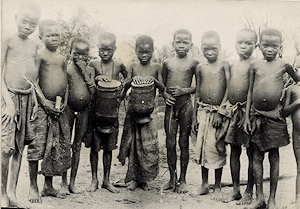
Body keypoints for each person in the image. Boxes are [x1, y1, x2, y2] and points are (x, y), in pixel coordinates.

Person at [243, 28, 300, 209]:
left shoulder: (284, 65)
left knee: (274, 156)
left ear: (280, 47)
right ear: (259, 46)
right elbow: (250, 91)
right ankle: (260, 198)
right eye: (266, 45)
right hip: (255, 115)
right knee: (256, 156)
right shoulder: (255, 65)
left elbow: (297, 80)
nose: (270, 49)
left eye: (274, 46)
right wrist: (246, 117)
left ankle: (272, 199)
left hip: (275, 118)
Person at [1, 2, 41, 207]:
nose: (28, 26)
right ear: (16, 18)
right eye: (24, 21)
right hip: (9, 98)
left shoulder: (34, 45)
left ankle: (12, 193)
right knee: (6, 148)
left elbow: (32, 77)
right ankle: (2, 195)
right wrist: (8, 103)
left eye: (33, 23)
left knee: (19, 148)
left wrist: (33, 100)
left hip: (27, 98)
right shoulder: (7, 39)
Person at [118, 35, 166, 191]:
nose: (144, 55)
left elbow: (162, 88)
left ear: (152, 51)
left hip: (150, 112)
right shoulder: (132, 66)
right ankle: (134, 179)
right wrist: (126, 87)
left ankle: (144, 180)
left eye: (147, 52)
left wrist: (151, 80)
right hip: (134, 110)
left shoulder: (157, 67)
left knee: (146, 147)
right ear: (136, 51)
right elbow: (126, 85)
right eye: (141, 52)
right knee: (133, 145)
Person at [31, 19, 71, 202]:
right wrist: (44, 103)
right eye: (50, 35)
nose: (54, 38)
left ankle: (48, 186)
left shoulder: (63, 58)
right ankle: (33, 187)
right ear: (41, 37)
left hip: (59, 107)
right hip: (42, 107)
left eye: (57, 35)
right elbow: (34, 82)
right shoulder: (40, 56)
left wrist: (65, 103)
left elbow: (66, 83)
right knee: (37, 146)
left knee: (56, 145)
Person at [218, 28, 257, 204]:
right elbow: (228, 89)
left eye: (248, 43)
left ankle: (249, 190)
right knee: (234, 150)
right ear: (235, 44)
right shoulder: (232, 65)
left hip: (249, 113)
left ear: (255, 46)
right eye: (240, 42)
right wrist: (222, 110)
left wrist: (251, 114)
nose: (243, 46)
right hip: (233, 112)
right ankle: (236, 190)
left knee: (251, 152)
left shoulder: (256, 64)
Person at [190, 30, 230, 199]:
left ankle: (218, 186)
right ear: (201, 48)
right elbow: (197, 91)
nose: (210, 51)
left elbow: (228, 88)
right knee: (203, 148)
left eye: (214, 48)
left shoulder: (224, 65)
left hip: (218, 114)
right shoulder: (200, 67)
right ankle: (204, 184)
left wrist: (221, 111)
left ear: (220, 47)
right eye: (206, 48)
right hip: (202, 111)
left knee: (217, 148)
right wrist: (194, 117)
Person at [86, 32, 127, 193]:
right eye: (102, 49)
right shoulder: (93, 64)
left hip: (112, 113)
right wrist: (97, 79)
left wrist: (122, 92)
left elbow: (127, 77)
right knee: (95, 148)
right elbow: (88, 79)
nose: (105, 52)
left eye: (109, 49)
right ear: (98, 48)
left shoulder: (119, 65)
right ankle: (94, 180)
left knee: (109, 148)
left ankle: (106, 180)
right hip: (96, 111)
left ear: (114, 49)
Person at [162, 29, 199, 193]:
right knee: (170, 143)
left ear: (190, 45)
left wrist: (184, 91)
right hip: (171, 107)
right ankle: (172, 178)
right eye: (178, 41)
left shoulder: (194, 63)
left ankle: (183, 180)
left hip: (186, 106)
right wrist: (164, 95)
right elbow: (162, 86)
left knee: (183, 143)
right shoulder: (167, 62)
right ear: (173, 43)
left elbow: (198, 87)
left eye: (185, 42)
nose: (182, 45)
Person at [61, 37, 96, 194]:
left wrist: (85, 74)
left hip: (84, 111)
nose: (81, 57)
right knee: (65, 143)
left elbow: (93, 93)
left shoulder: (90, 71)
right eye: (77, 53)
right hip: (68, 109)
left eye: (84, 54)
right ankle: (63, 182)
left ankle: (72, 182)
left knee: (77, 146)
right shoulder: (67, 69)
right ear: (70, 53)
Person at [283, 70, 300, 209]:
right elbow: (284, 111)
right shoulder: (291, 89)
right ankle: (298, 199)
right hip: (297, 132)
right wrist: (297, 103)